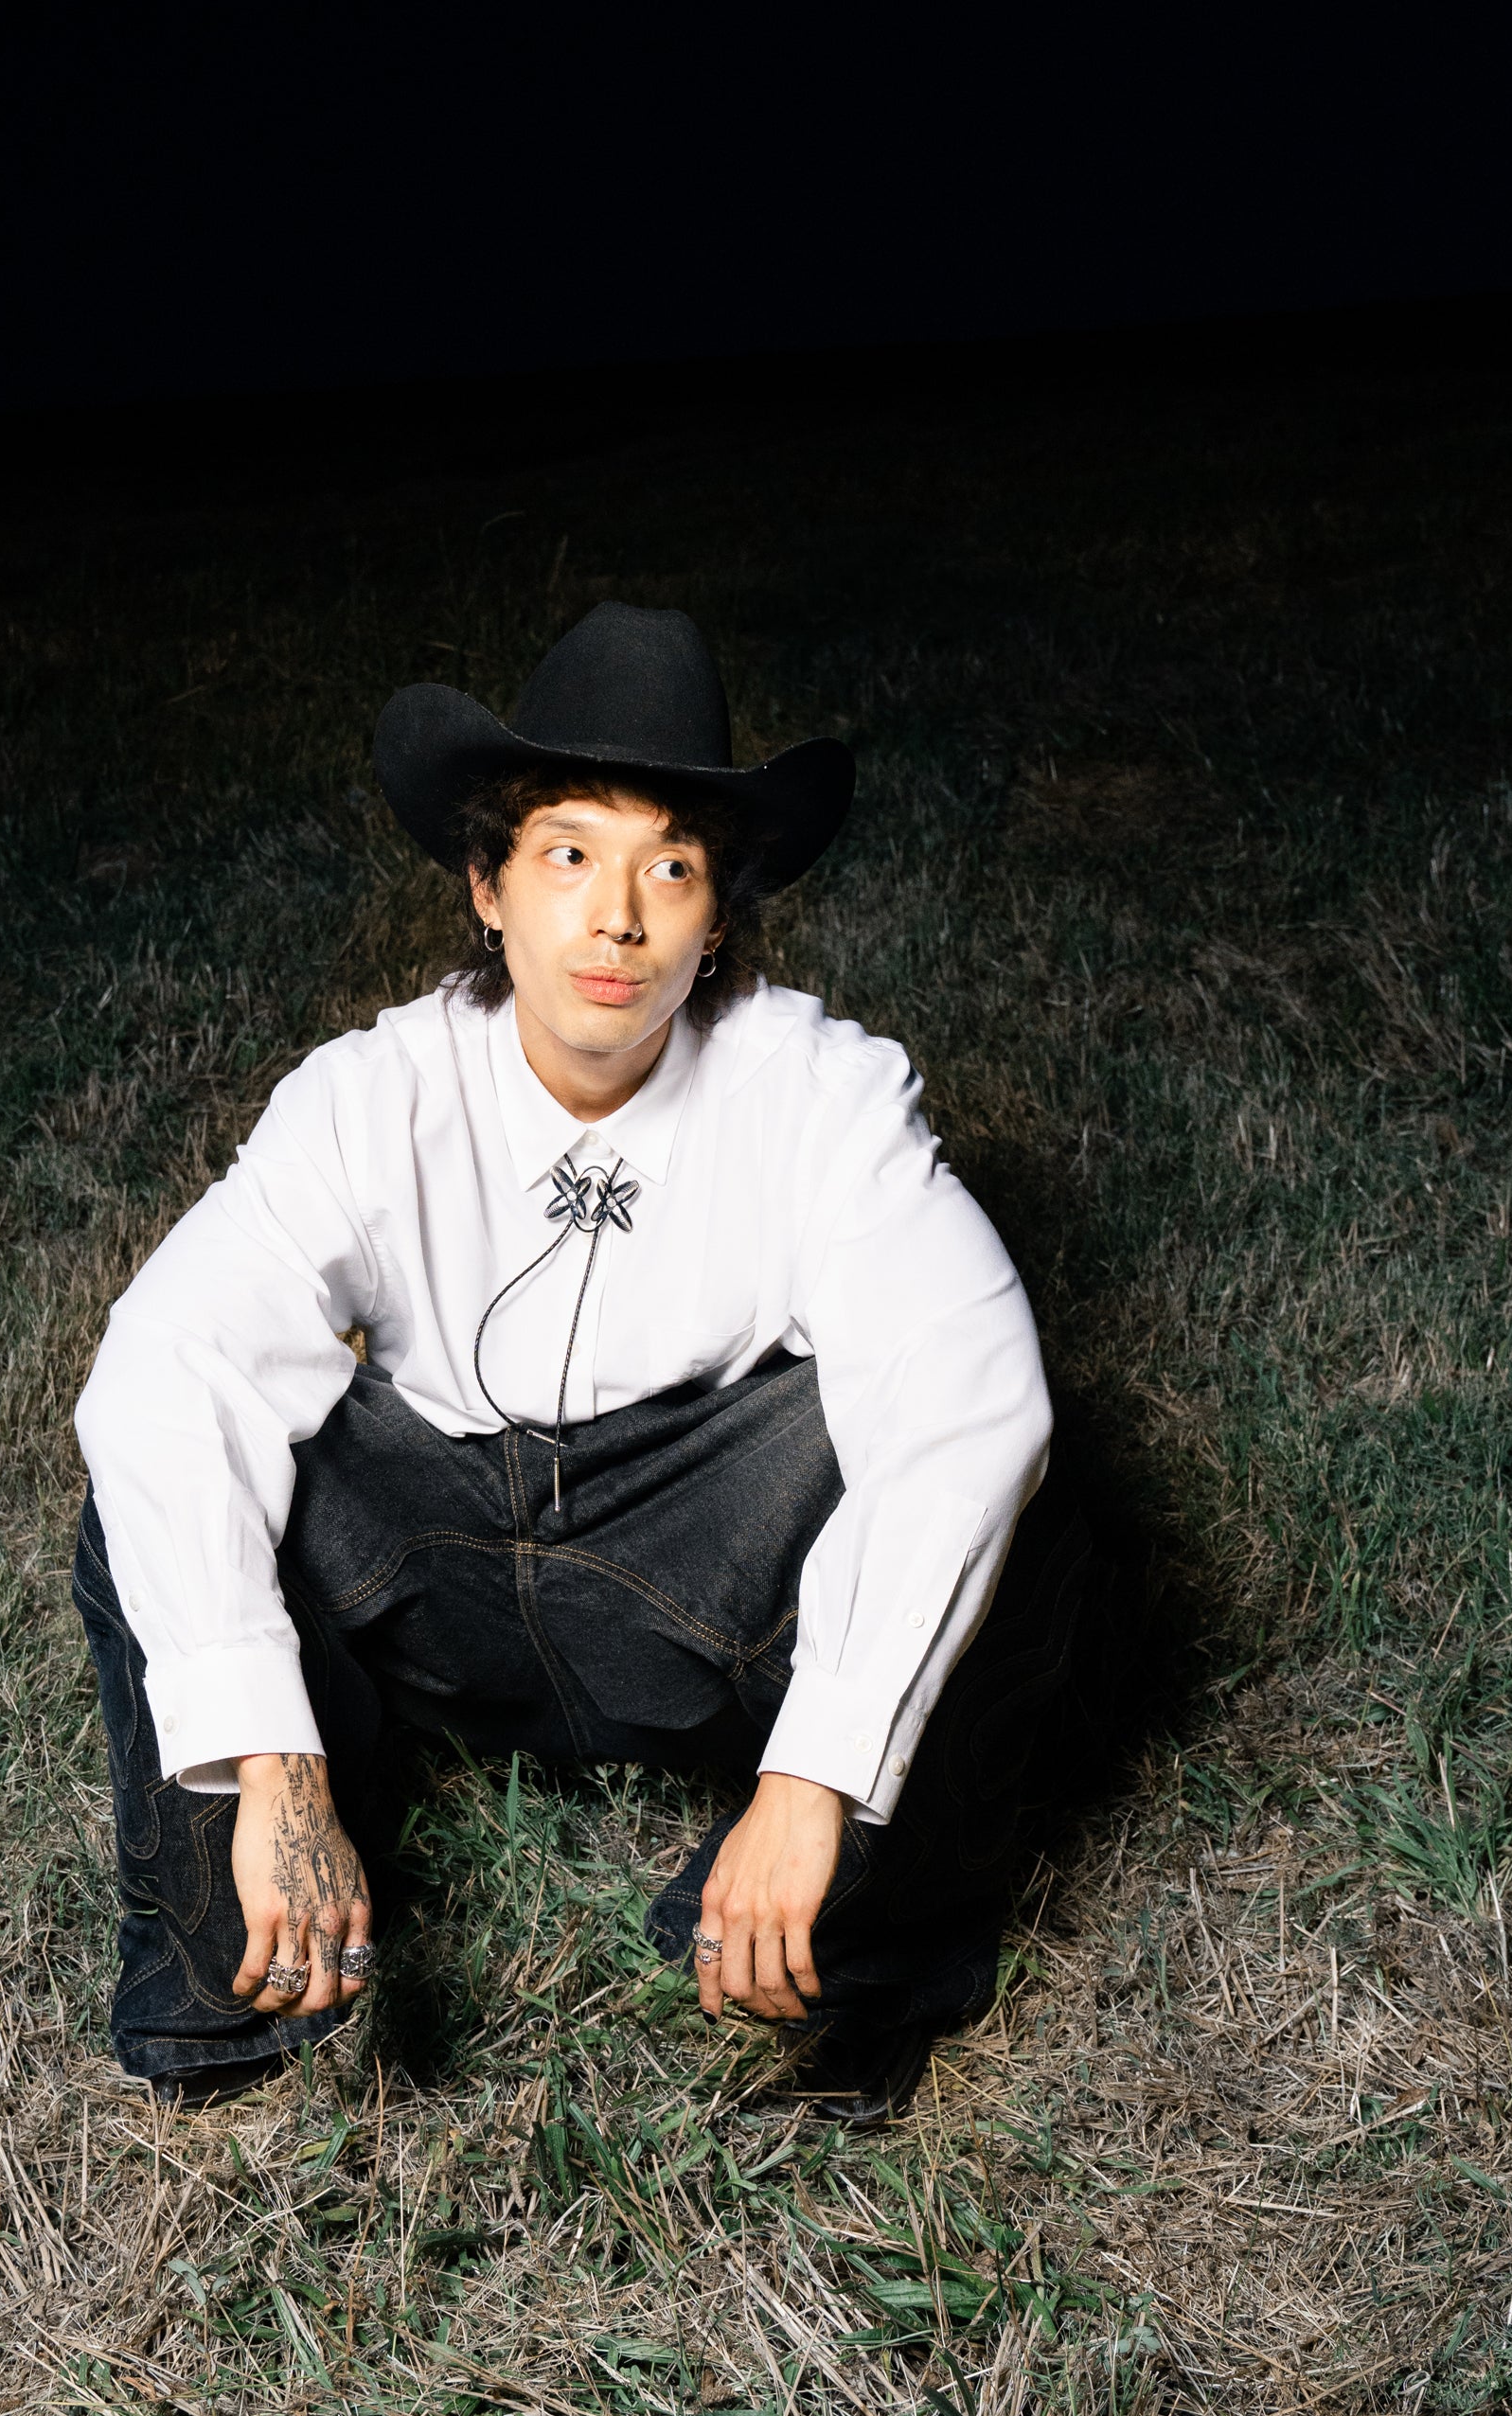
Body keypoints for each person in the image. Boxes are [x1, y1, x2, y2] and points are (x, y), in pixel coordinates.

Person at [71, 601, 1107, 2123]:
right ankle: (232, 1984)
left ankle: (843, 1961)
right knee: (159, 1462)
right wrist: (271, 1763)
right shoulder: (369, 1096)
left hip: (695, 1577)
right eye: (567, 854)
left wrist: (817, 1774)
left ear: (718, 918)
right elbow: (169, 1367)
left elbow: (972, 1400)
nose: (616, 918)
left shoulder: (821, 1096)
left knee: (1015, 1497)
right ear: (488, 889)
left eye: (669, 869)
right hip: (429, 1575)